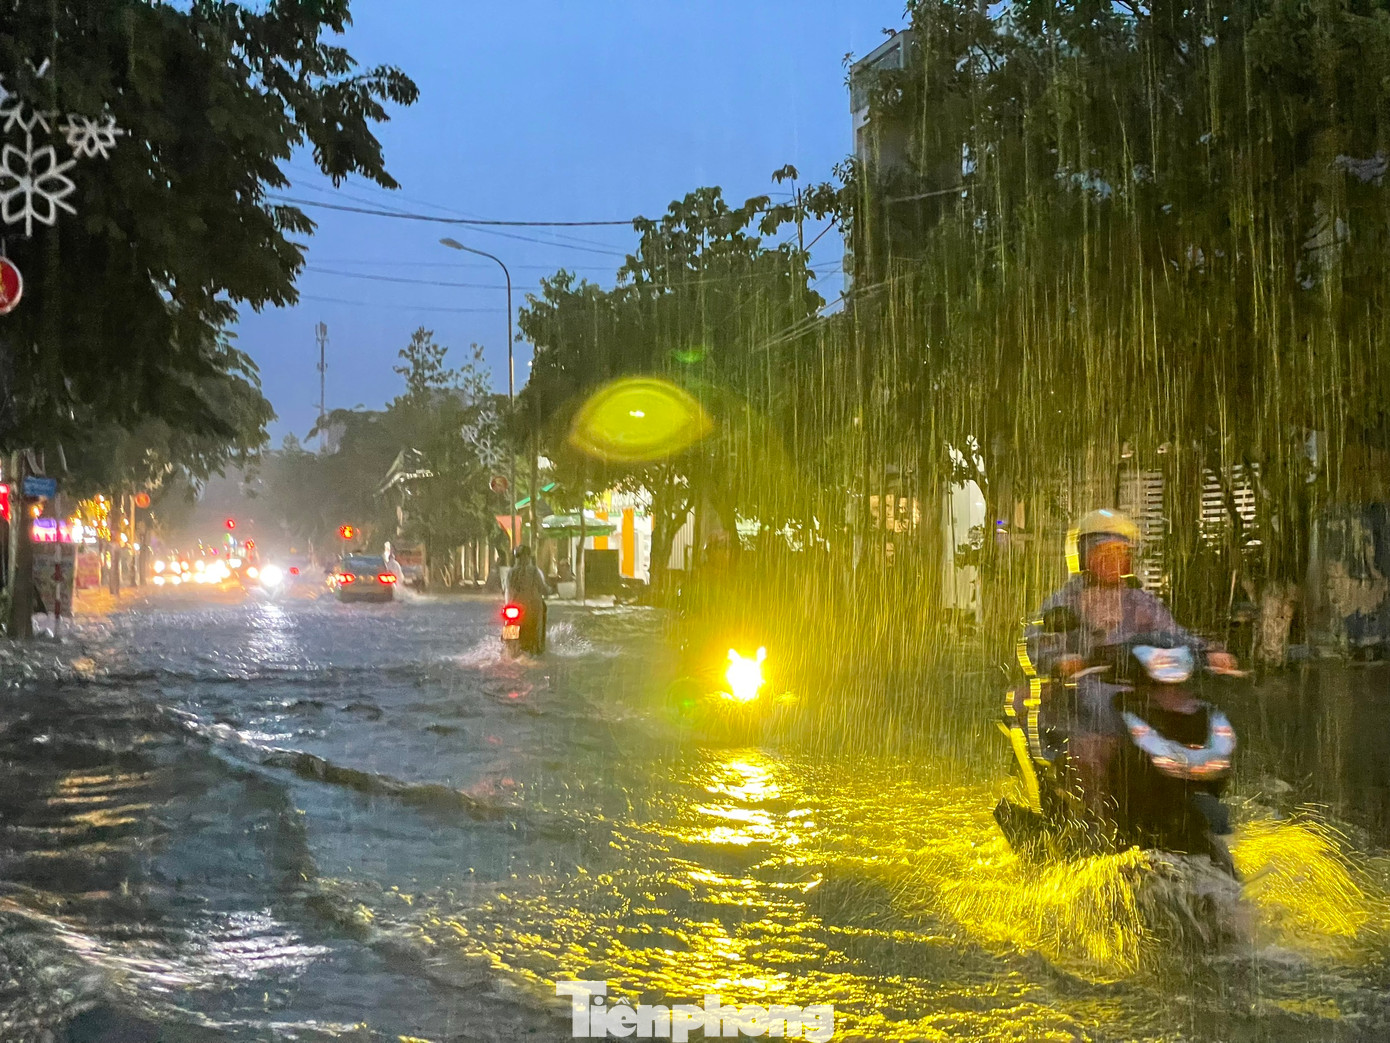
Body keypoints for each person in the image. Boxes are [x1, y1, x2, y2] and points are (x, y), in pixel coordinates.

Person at [1021, 508, 1238, 811]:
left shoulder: (1140, 601)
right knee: (1093, 735)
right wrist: (1063, 660)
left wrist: (1208, 652)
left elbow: (1173, 634)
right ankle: (1092, 813)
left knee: (1189, 710)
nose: (1115, 560)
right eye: (1105, 552)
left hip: (1138, 686)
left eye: (1122, 552)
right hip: (1088, 688)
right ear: (1083, 555)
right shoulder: (1064, 601)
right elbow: (1040, 642)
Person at [505, 545, 550, 653]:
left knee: (508, 623)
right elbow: (543, 588)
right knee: (539, 620)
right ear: (529, 556)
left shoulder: (511, 572)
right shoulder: (534, 571)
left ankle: (508, 646)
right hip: (533, 608)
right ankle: (538, 646)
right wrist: (550, 590)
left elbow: (507, 589)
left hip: (513, 607)